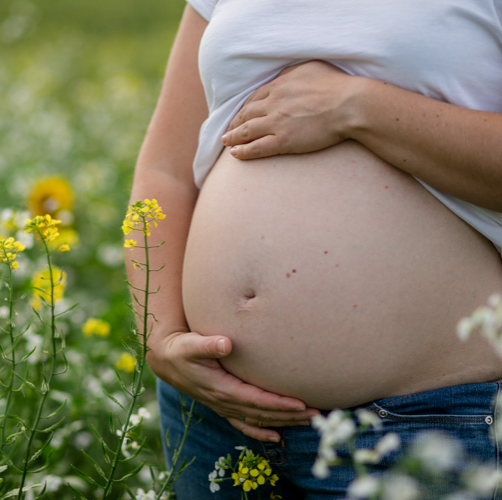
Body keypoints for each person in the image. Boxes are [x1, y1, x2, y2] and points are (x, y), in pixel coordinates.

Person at [127, 1, 502, 497]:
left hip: (421, 421)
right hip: (212, 415)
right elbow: (165, 171)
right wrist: (159, 337)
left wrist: (357, 107)